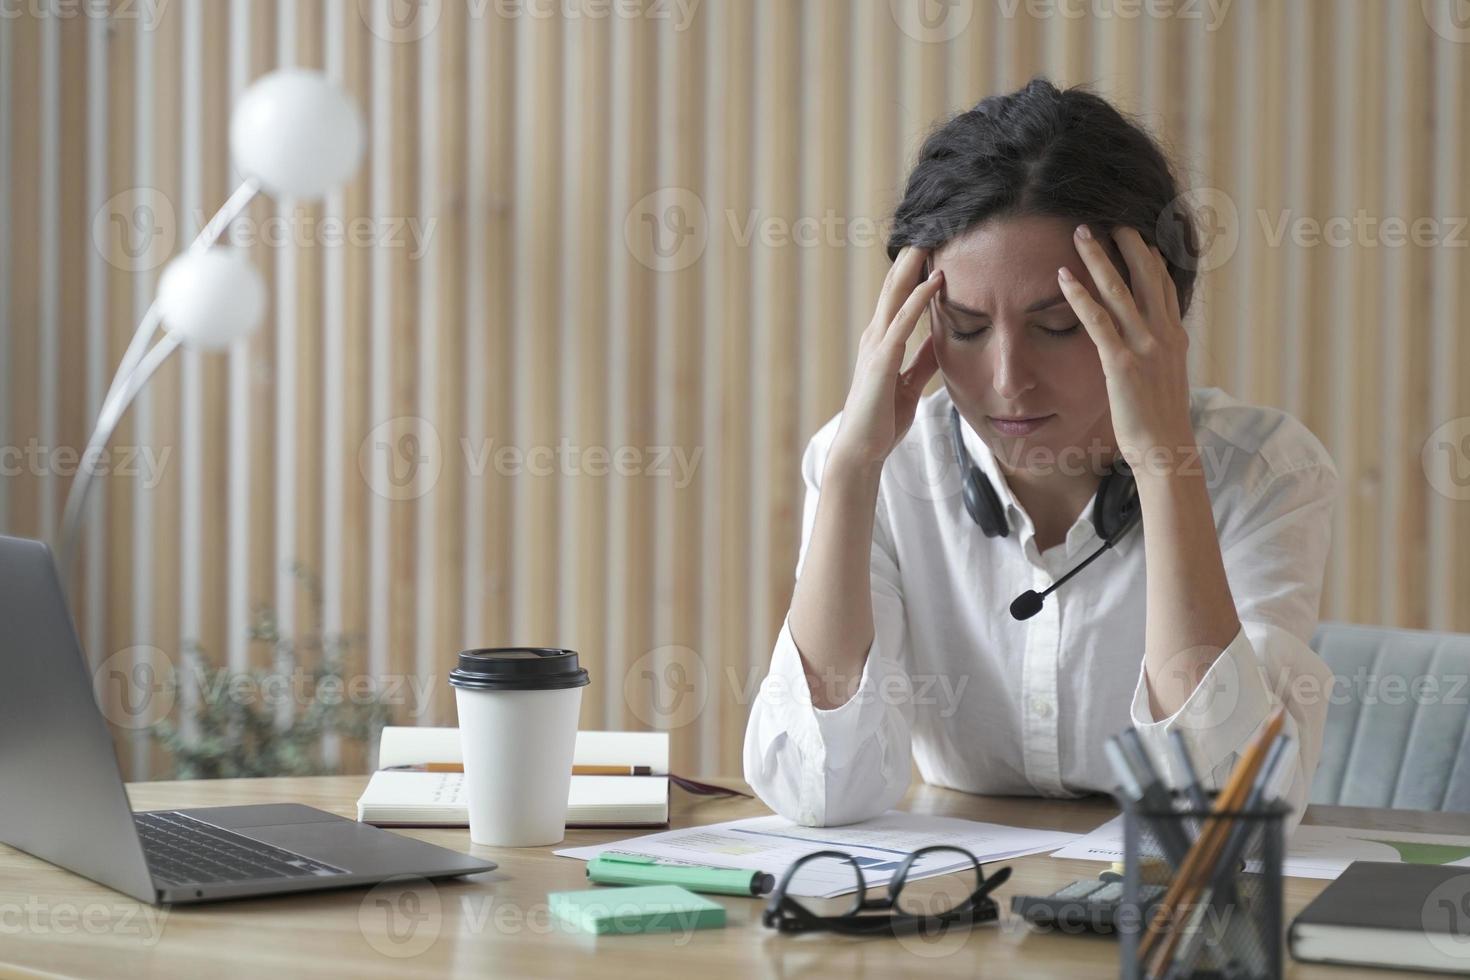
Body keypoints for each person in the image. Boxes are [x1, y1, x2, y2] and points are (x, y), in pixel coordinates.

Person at [743, 77, 1338, 832]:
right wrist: (852, 472)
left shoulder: (1265, 471)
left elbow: (1225, 818)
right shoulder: (873, 466)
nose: (1006, 381)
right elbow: (814, 793)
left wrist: (1164, 464)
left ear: (1156, 313)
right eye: (961, 327)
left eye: (1058, 326)